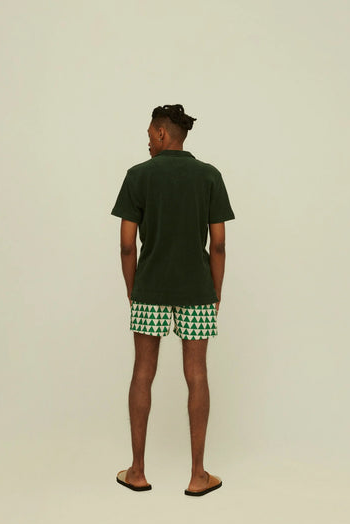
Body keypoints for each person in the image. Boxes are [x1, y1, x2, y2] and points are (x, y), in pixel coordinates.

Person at [111, 104, 235, 496]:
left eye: (150, 134)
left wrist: (133, 289)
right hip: (197, 290)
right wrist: (215, 292)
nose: (148, 142)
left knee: (142, 371)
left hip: (149, 289)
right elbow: (219, 244)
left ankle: (137, 471)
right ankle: (198, 475)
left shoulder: (138, 176)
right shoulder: (210, 176)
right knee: (197, 373)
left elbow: (127, 245)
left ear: (163, 133)